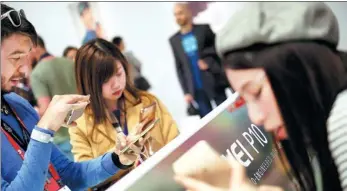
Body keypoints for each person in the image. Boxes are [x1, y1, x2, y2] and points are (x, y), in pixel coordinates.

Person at [175, 2, 347, 191]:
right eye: (244, 100)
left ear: (301, 69)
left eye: (256, 92)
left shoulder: (343, 119)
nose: (256, 117)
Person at [1, 3, 145, 191]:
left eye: (26, 58)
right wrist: (44, 129)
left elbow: (68, 175)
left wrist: (117, 159)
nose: (26, 70)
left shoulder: (17, 105)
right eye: (15, 58)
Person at [69, 38, 180, 189]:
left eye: (119, 73)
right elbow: (85, 180)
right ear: (89, 82)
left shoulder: (147, 101)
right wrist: (118, 157)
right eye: (105, 80)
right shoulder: (80, 123)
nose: (116, 84)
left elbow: (177, 144)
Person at [169, 3, 229, 118]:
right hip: (196, 89)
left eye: (180, 13)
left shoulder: (204, 29)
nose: (178, 17)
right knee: (208, 121)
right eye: (175, 14)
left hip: (214, 81)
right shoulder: (174, 40)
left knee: (227, 113)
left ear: (188, 12)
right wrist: (186, 92)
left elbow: (217, 50)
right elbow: (179, 67)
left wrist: (208, 62)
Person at [30, 36, 78, 160]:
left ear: (34, 48)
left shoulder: (37, 74)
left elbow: (46, 109)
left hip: (64, 139)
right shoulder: (69, 63)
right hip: (84, 130)